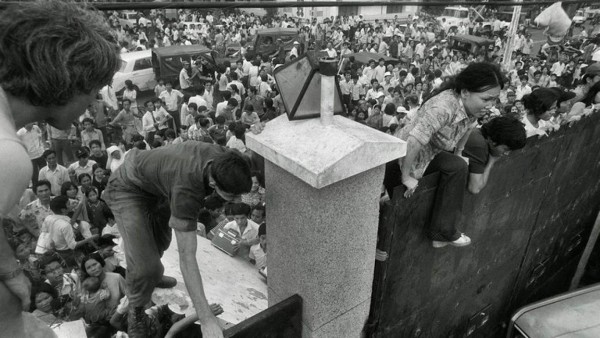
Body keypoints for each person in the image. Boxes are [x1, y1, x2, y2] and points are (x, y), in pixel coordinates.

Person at [0, 1, 119, 336]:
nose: (94, 105)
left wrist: (10, 270)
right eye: (95, 93)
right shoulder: (9, 156)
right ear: (73, 81)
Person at [104, 142, 253, 338]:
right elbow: (187, 256)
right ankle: (136, 310)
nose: (238, 201)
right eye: (232, 196)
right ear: (213, 183)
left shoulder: (227, 158)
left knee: (161, 242)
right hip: (127, 188)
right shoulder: (187, 189)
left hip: (159, 186)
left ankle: (152, 279)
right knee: (146, 266)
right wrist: (206, 319)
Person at [384, 62, 504, 248]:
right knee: (399, 215)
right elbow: (413, 141)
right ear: (465, 92)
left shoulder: (471, 107)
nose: (490, 105)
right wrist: (406, 176)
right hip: (401, 159)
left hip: (429, 155)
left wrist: (459, 152)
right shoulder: (443, 108)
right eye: (486, 99)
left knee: (457, 166)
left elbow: (468, 126)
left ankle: (441, 232)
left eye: (494, 100)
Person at [462, 117, 527, 194]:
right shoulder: (479, 145)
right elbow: (475, 188)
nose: (506, 153)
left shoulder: (478, 135)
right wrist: (491, 162)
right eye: (505, 149)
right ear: (493, 140)